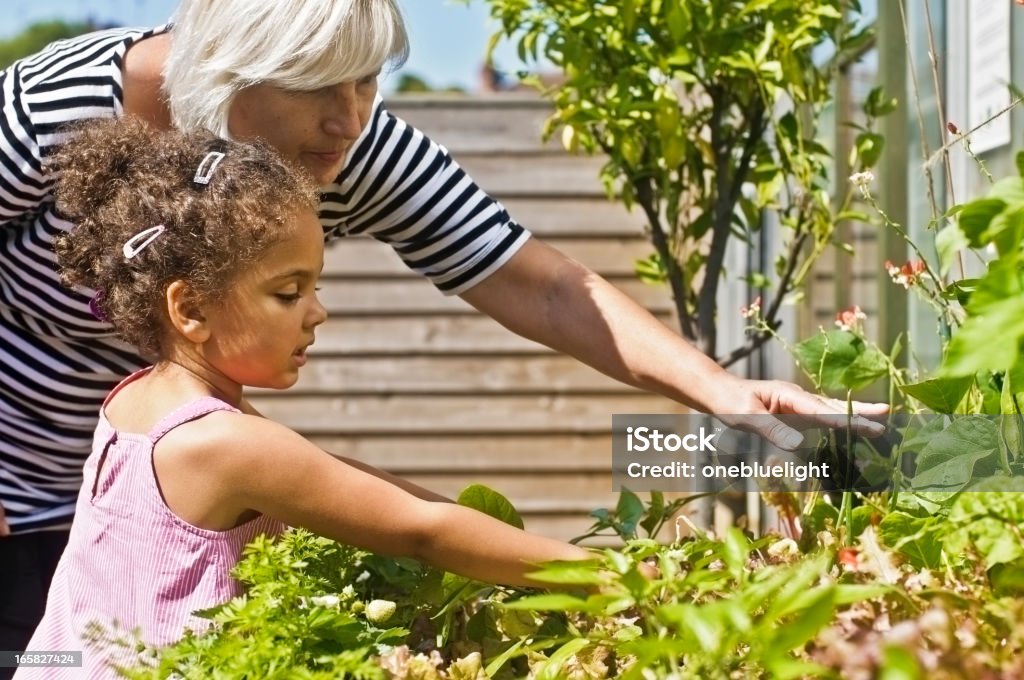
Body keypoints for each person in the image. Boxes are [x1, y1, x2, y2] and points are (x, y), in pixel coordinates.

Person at [0, 0, 887, 658]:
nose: (349, 121)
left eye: (367, 82)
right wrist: (637, 582)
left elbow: (530, 278)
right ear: (228, 80)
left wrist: (719, 390)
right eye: (317, 89)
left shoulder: (348, 150)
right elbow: (416, 526)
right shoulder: (65, 103)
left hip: (132, 497)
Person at [14, 117, 595, 680]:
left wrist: (478, 524)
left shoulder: (138, 400)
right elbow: (421, 530)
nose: (317, 312)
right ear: (190, 309)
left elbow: (339, 478)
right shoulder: (223, 443)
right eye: (289, 292)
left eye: (315, 286)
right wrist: (608, 574)